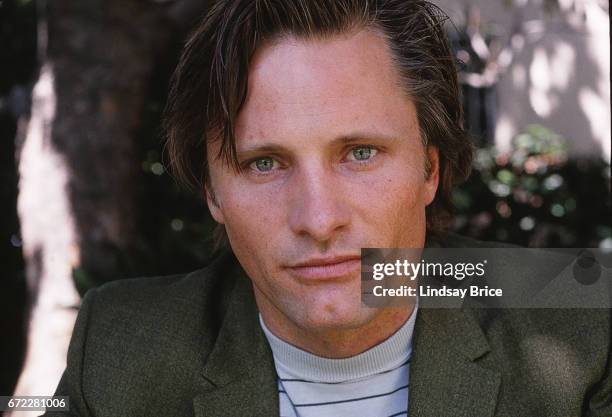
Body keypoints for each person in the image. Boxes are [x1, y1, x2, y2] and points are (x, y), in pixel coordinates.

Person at [43, 1, 610, 416]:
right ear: (212, 193)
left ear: (430, 169)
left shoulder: (583, 321)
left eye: (360, 153)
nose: (318, 220)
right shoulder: (120, 346)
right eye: (264, 163)